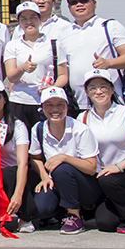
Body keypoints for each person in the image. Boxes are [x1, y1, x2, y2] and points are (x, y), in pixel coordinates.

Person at [80, 70, 125, 234]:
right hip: (104, 176)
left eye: (103, 87)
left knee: (109, 180)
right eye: (93, 88)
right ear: (86, 92)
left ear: (112, 89)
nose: (98, 91)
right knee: (105, 223)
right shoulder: (83, 118)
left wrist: (119, 166)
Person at [29, 86, 101, 235]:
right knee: (41, 209)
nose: (55, 109)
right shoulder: (38, 129)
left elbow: (91, 168)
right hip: (56, 182)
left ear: (67, 107)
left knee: (62, 169)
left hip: (84, 184)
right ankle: (61, 212)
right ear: (42, 108)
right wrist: (44, 176)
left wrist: (65, 158)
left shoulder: (80, 130)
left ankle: (74, 216)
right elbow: (35, 158)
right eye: (49, 105)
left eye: (60, 104)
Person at [60, 0, 125, 112]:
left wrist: (109, 63)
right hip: (77, 104)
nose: (79, 4)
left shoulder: (110, 26)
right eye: (74, 2)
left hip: (109, 102)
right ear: (69, 7)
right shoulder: (64, 33)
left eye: (84, 0)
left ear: (94, 3)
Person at [0, 78, 35, 233]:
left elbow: (23, 163)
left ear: (4, 99)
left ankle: (25, 217)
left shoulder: (18, 126)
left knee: (8, 173)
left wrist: (18, 194)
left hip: (12, 176)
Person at [4, 1, 69, 132]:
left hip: (45, 101)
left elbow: (63, 75)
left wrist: (52, 88)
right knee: (20, 138)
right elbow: (11, 77)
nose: (29, 22)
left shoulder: (54, 44)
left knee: (43, 137)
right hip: (19, 100)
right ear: (19, 22)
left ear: (40, 19)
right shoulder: (12, 45)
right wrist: (22, 68)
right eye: (24, 19)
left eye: (33, 17)